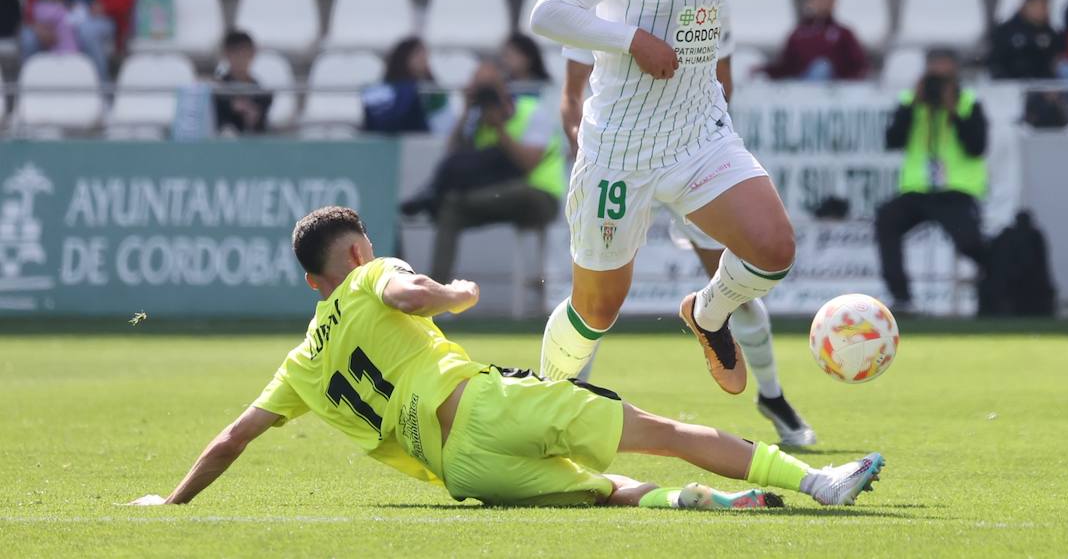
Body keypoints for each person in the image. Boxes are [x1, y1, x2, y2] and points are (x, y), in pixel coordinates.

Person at [129, 206, 884, 509]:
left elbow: (233, 437)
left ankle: (704, 503)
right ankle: (817, 481)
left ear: (308, 281)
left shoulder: (301, 362)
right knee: (661, 428)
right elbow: (403, 292)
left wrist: (173, 502)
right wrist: (453, 291)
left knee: (599, 491)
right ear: (355, 251)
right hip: (480, 403)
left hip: (462, 472)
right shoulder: (368, 273)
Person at [529, 0, 799, 396]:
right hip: (622, 147)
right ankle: (540, 405)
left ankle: (707, 313)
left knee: (774, 249)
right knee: (597, 308)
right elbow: (548, 12)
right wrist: (631, 40)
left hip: (698, 132)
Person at [401, 39, 562, 285]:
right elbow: (452, 156)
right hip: (496, 196)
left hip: (539, 195)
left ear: (504, 88)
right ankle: (436, 292)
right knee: (450, 210)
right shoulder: (478, 119)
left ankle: (432, 196)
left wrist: (501, 129)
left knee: (513, 190)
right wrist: (467, 112)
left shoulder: (532, 111)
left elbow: (528, 164)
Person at [875, 50, 989, 314]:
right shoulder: (912, 101)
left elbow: (977, 147)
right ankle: (902, 297)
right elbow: (893, 140)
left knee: (970, 243)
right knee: (886, 220)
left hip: (956, 190)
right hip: (918, 190)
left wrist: (953, 111)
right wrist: (913, 103)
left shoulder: (968, 102)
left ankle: (997, 282)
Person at [763, 0, 867, 80]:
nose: (826, 1)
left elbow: (860, 67)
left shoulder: (843, 34)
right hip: (802, 87)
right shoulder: (798, 35)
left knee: (822, 67)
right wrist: (764, 71)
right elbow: (785, 68)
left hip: (834, 89)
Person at [363, 37, 448, 134]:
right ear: (403, 57)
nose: (424, 59)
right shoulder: (383, 90)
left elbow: (443, 125)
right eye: (418, 54)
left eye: (426, 55)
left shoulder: (433, 91)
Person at [989, 0, 1062, 80]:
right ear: (1026, 5)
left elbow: (1053, 65)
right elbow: (995, 64)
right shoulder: (1005, 31)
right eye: (1036, 4)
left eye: (1044, 5)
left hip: (1041, 87)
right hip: (1009, 85)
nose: (1041, 9)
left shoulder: (1052, 34)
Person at [213, 30, 273, 134]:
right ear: (226, 54)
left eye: (245, 54)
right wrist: (231, 105)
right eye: (236, 54)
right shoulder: (216, 91)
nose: (241, 59)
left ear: (253, 54)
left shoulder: (262, 94)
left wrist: (254, 117)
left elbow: (260, 129)